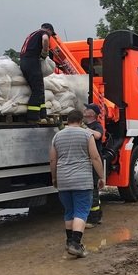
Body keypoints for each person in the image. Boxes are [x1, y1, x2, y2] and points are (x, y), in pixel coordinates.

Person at [50, 109, 105, 258]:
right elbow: (95, 157)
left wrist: (54, 178)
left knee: (69, 211)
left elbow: (53, 160)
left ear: (68, 120)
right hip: (82, 180)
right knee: (81, 212)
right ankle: (75, 244)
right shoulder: (86, 134)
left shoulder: (57, 136)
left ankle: (69, 242)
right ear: (81, 121)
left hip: (64, 180)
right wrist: (101, 176)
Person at [19, 23, 54, 122]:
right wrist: (45, 52)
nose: (50, 36)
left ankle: (42, 115)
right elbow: (46, 39)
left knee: (39, 88)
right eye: (51, 34)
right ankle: (33, 117)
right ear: (49, 30)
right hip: (32, 62)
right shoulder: (44, 33)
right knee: (37, 90)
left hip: (24, 62)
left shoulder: (32, 34)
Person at [83, 103, 105, 227]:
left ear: (92, 114)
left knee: (92, 189)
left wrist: (86, 130)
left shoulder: (97, 126)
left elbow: (98, 135)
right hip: (88, 160)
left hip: (94, 161)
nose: (85, 110)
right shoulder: (86, 125)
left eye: (87, 109)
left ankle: (93, 219)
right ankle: (99, 215)